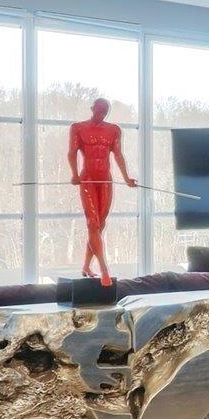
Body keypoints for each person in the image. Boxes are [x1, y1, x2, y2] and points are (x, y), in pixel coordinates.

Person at [67, 98, 136, 285]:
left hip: (105, 179)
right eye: (99, 111)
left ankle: (86, 266)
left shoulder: (114, 130)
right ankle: (104, 269)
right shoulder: (78, 128)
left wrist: (126, 178)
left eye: (105, 112)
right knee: (92, 223)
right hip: (88, 179)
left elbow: (118, 155)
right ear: (92, 109)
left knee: (99, 225)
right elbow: (72, 152)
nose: (101, 114)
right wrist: (74, 174)